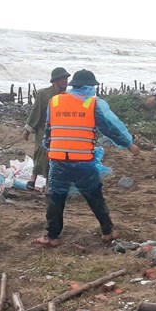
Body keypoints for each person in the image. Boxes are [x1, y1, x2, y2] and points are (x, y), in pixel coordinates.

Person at [34, 69, 141, 247]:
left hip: (59, 159)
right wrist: (129, 144)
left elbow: (48, 132)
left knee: (56, 197)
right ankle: (108, 231)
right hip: (83, 160)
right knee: (93, 195)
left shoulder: (56, 101)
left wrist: (51, 148)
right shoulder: (93, 104)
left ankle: (52, 237)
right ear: (90, 86)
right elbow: (110, 127)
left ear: (73, 85)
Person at [24, 67, 70, 189]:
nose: (65, 81)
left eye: (66, 79)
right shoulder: (43, 94)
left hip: (60, 132)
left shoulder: (67, 96)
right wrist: (27, 130)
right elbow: (35, 112)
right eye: (62, 79)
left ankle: (48, 184)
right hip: (43, 130)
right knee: (40, 154)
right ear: (55, 81)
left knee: (54, 158)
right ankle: (32, 180)